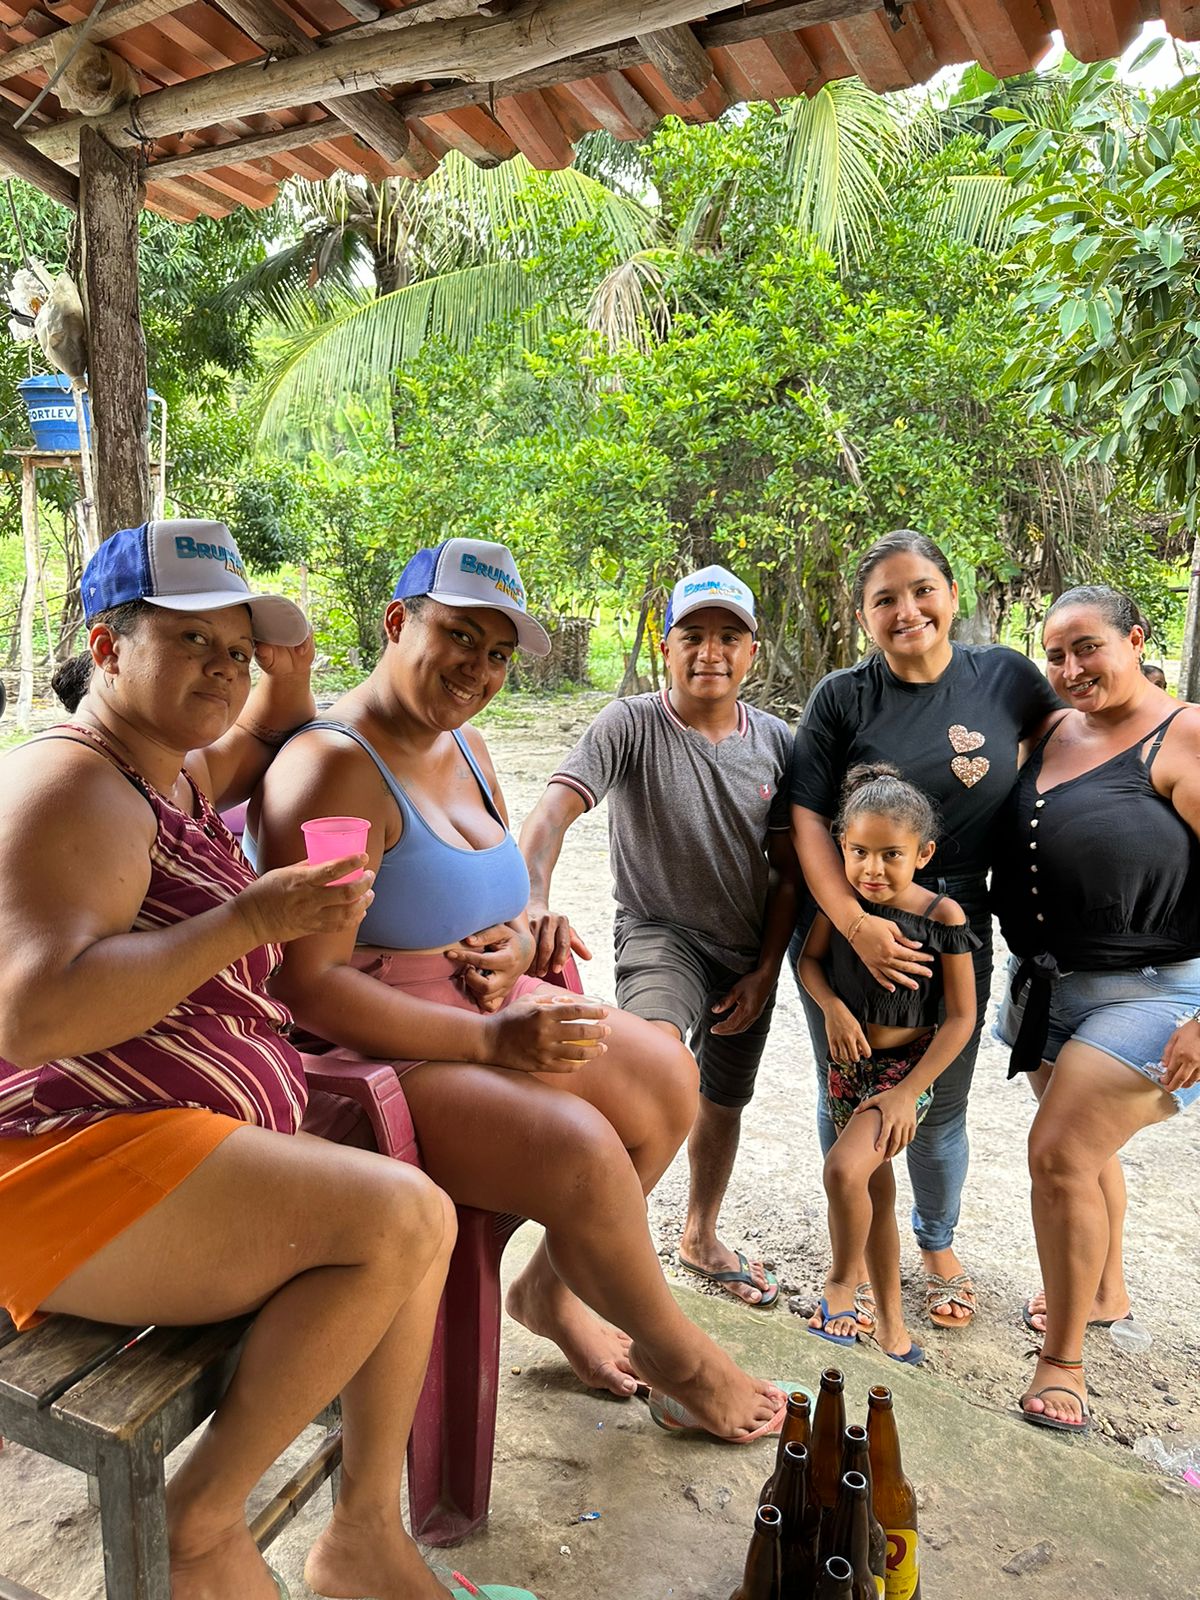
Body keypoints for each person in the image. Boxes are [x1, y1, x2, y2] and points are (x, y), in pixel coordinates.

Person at [0, 519, 477, 1600]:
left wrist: (286, 670)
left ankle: (363, 1533)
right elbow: (29, 1014)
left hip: (155, 1148)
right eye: (191, 645)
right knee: (407, 1218)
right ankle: (204, 1522)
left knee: (410, 1231)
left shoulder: (165, 769)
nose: (223, 670)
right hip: (50, 1172)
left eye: (235, 648)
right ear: (109, 647)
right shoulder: (73, 787)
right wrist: (245, 921)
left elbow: (269, 723)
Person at [254, 539, 789, 1441]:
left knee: (670, 1077)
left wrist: (518, 931)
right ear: (397, 623)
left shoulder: (464, 741)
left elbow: (489, 887)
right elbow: (310, 986)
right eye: (459, 635)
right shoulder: (338, 766)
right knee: (581, 1149)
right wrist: (491, 1042)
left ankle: (552, 1287)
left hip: (481, 1008)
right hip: (381, 1049)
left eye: (499, 652)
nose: (479, 669)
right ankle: (677, 1355)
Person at [790, 529, 1060, 1333]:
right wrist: (853, 923)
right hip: (852, 916)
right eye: (885, 599)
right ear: (863, 615)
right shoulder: (843, 696)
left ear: (952, 592)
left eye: (922, 590)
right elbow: (806, 816)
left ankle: (936, 1243)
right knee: (844, 1084)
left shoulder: (1005, 676)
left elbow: (1067, 743)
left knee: (937, 1101)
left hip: (955, 914)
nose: (907, 611)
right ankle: (857, 1243)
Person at [519, 564, 797, 1310]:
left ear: (752, 652)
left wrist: (768, 970)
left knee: (724, 1101)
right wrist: (532, 900)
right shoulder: (629, 723)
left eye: (729, 637)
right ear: (664, 645)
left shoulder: (778, 743)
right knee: (653, 1066)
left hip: (748, 950)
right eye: (693, 635)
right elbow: (549, 816)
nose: (711, 651)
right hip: (659, 931)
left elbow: (791, 873)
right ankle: (568, 1265)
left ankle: (699, 1234)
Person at [992, 585, 1200, 1435]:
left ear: (1136, 640)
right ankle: (1105, 1290)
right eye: (1056, 654)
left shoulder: (1184, 733)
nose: (1072, 668)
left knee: (1059, 1155)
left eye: (1089, 648)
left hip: (1155, 994)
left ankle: (1065, 1365)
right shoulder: (1051, 730)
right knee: (1087, 1151)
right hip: (1049, 990)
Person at [798, 765, 978, 1363]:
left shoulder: (944, 917)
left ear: (922, 853)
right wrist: (832, 1011)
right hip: (848, 1063)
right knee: (872, 1188)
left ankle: (842, 1284)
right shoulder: (842, 901)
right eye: (858, 852)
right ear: (841, 848)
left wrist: (909, 1093)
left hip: (905, 1074)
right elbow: (811, 965)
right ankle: (894, 1327)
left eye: (890, 855)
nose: (872, 869)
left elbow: (960, 1018)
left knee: (845, 1173)